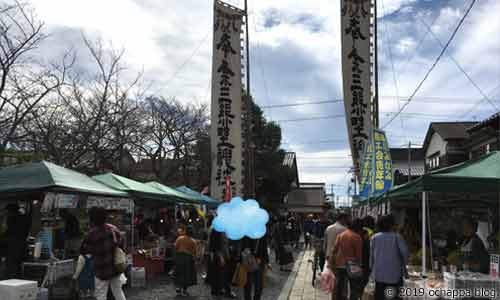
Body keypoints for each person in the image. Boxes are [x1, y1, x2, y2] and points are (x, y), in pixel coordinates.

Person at [86, 207, 126, 300]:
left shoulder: (92, 233)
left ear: (92, 219)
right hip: (116, 266)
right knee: (118, 291)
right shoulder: (113, 229)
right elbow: (122, 245)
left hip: (101, 268)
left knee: (101, 294)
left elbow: (87, 249)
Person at [370, 215, 409, 300]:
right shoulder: (397, 237)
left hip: (379, 274)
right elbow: (405, 253)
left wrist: (372, 269)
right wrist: (404, 265)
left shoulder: (374, 237)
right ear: (392, 225)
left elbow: (371, 256)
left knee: (380, 296)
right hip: (394, 275)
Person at [329, 218, 363, 300]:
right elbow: (358, 255)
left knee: (339, 285)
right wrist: (360, 266)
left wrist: (331, 262)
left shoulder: (341, 235)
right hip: (352, 266)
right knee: (353, 287)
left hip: (339, 264)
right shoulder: (357, 237)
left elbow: (334, 250)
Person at [207, 228, 235, 298]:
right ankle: (217, 292)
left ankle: (219, 291)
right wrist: (220, 256)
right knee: (219, 274)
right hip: (219, 256)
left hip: (223, 254)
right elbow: (214, 245)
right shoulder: (216, 229)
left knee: (222, 274)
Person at [5, 203, 31, 279]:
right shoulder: (25, 217)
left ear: (11, 211)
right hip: (22, 243)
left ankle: (12, 280)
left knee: (12, 265)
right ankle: (18, 279)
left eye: (8, 212)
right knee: (19, 264)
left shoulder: (12, 218)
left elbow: (9, 231)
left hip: (13, 245)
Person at [241, 235, 270, 300]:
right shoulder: (247, 232)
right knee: (248, 285)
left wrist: (267, 261)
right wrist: (254, 257)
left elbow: (264, 247)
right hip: (250, 262)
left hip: (261, 262)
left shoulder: (262, 232)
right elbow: (244, 247)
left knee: (259, 286)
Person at [174, 225, 197, 296]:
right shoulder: (193, 241)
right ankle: (184, 290)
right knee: (186, 274)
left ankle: (178, 287)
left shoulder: (180, 238)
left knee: (179, 272)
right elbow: (194, 252)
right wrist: (195, 260)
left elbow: (176, 247)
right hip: (188, 258)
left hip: (179, 257)